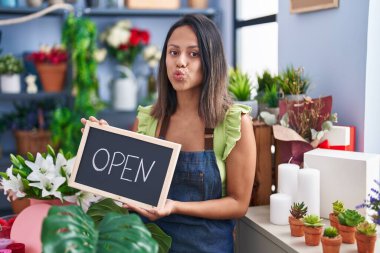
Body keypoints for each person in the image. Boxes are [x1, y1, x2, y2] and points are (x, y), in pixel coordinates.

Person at [81, 14, 256, 253]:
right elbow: (128, 194)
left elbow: (238, 204)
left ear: (210, 60)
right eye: (173, 52)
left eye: (193, 54)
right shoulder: (148, 120)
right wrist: (107, 142)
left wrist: (175, 206)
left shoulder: (234, 123)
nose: (180, 62)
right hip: (148, 245)